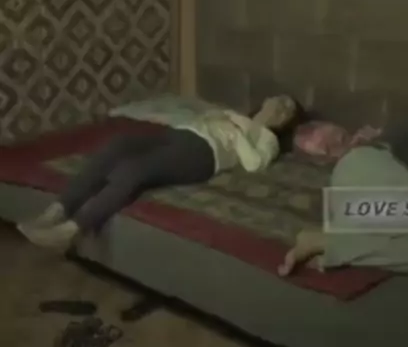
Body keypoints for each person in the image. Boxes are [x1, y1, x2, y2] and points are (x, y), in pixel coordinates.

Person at [19, 95, 300, 252]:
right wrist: (214, 119)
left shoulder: (268, 139)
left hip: (205, 154)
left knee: (135, 169)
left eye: (288, 109)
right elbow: (200, 121)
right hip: (181, 135)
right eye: (280, 100)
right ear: (266, 100)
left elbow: (253, 164)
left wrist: (236, 132)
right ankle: (58, 210)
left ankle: (72, 230)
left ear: (284, 122)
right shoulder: (235, 113)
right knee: (118, 145)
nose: (282, 106)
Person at [278, 117, 408, 278]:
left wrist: (381, 139)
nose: (333, 145)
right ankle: (330, 243)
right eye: (325, 150)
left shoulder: (375, 147)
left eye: (334, 137)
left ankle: (330, 243)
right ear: (320, 164)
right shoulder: (343, 173)